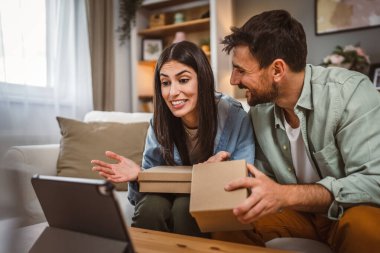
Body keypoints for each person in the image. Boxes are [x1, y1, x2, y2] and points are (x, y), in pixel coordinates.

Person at [211, 9, 380, 252]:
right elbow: (261, 181)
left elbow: (374, 182)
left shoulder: (350, 94)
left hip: (350, 211)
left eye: (242, 70)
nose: (233, 81)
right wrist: (223, 173)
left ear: (277, 70)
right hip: (298, 216)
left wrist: (287, 195)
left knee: (366, 227)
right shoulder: (259, 113)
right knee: (232, 218)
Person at [91, 41, 255, 237]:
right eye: (165, 82)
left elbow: (247, 182)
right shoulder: (159, 121)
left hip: (209, 199)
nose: (172, 92)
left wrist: (215, 175)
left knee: (184, 207)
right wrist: (139, 176)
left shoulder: (235, 116)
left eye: (183, 80)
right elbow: (143, 192)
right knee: (151, 207)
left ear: (202, 79)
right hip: (165, 197)